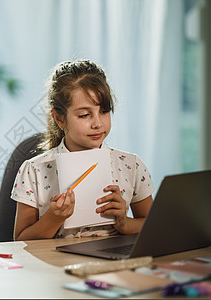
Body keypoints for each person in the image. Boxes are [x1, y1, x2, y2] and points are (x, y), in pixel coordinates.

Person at [11, 60, 154, 240]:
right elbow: (20, 240)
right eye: (85, 115)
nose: (98, 123)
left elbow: (153, 226)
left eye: (104, 111)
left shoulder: (130, 165)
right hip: (56, 264)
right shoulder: (35, 170)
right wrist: (53, 219)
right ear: (60, 119)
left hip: (113, 263)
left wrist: (124, 223)